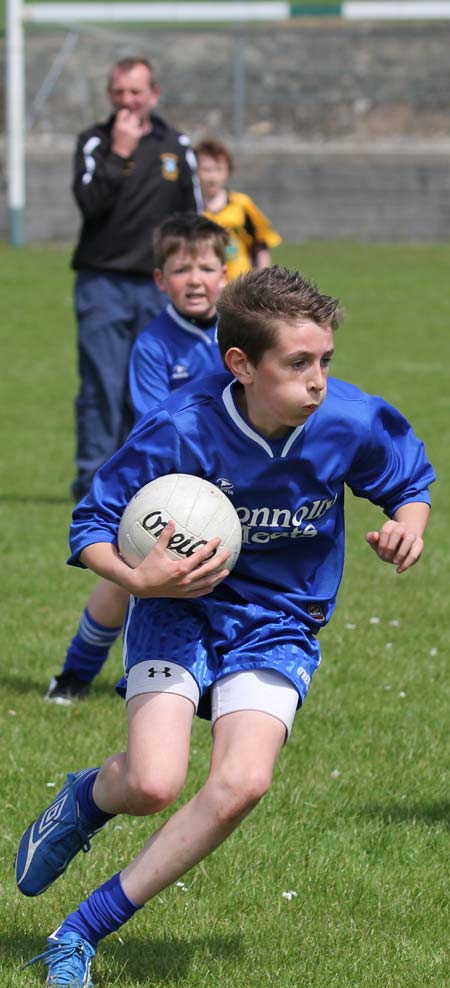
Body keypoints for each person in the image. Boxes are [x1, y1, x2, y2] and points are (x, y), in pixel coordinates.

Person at [17, 266, 434, 988]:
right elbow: (91, 522)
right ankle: (83, 800)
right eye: (298, 363)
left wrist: (407, 526)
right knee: (152, 783)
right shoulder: (181, 427)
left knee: (241, 782)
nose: (318, 382)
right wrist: (138, 578)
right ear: (240, 364)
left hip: (278, 620)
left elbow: (409, 481)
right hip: (179, 610)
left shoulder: (352, 421)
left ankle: (76, 934)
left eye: (325, 361)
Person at [46, 213, 228, 704]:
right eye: (182, 269)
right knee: (127, 578)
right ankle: (74, 673)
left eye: (207, 268)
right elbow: (156, 419)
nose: (195, 280)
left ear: (225, 275)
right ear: (160, 280)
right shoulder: (152, 344)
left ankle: (216, 680)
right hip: (161, 480)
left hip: (231, 482)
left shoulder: (239, 337)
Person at [71, 56, 202, 503]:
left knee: (155, 387)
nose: (127, 101)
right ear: (110, 94)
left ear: (154, 94)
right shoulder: (95, 142)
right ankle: (93, 480)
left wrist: (195, 273)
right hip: (102, 283)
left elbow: (195, 219)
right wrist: (120, 154)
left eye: (136, 92)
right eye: (119, 92)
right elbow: (89, 203)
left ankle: (146, 477)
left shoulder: (175, 144)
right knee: (102, 385)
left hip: (159, 288)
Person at [195, 138, 282, 280]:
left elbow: (261, 243)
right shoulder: (191, 208)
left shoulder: (242, 204)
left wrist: (262, 280)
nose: (212, 177)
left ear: (228, 172)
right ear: (195, 172)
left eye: (218, 169)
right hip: (206, 285)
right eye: (206, 170)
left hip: (240, 284)